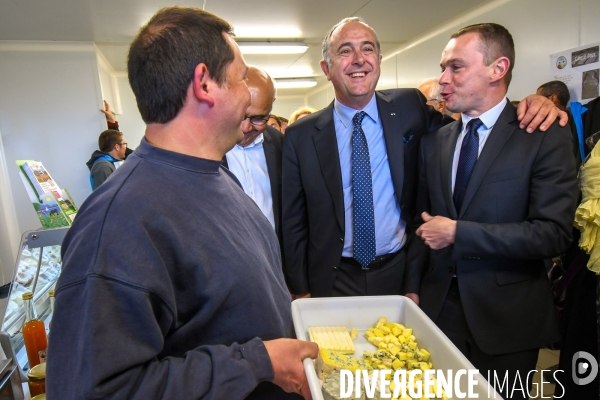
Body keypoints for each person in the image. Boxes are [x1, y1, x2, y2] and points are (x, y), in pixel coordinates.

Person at [47, 7, 317, 399]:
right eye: (242, 78)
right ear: (204, 83)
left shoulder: (215, 173)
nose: (249, 96)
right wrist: (259, 364)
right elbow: (91, 390)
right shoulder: (117, 221)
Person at [281, 16, 566, 299]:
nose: (358, 59)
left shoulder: (409, 107)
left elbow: (474, 128)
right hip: (331, 278)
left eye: (367, 49)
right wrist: (300, 289)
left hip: (397, 271)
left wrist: (534, 102)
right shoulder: (300, 134)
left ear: (379, 60)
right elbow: (293, 220)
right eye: (345, 50)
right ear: (326, 68)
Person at [408, 23, 578, 399]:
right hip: (438, 314)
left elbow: (553, 233)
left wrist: (459, 232)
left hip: (507, 320)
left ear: (497, 69)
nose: (442, 80)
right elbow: (420, 222)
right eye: (442, 68)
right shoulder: (434, 143)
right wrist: (411, 290)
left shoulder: (543, 134)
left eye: (456, 67)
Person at [223, 66, 285, 241]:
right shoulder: (204, 146)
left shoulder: (282, 146)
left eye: (258, 118)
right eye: (240, 115)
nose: (246, 128)